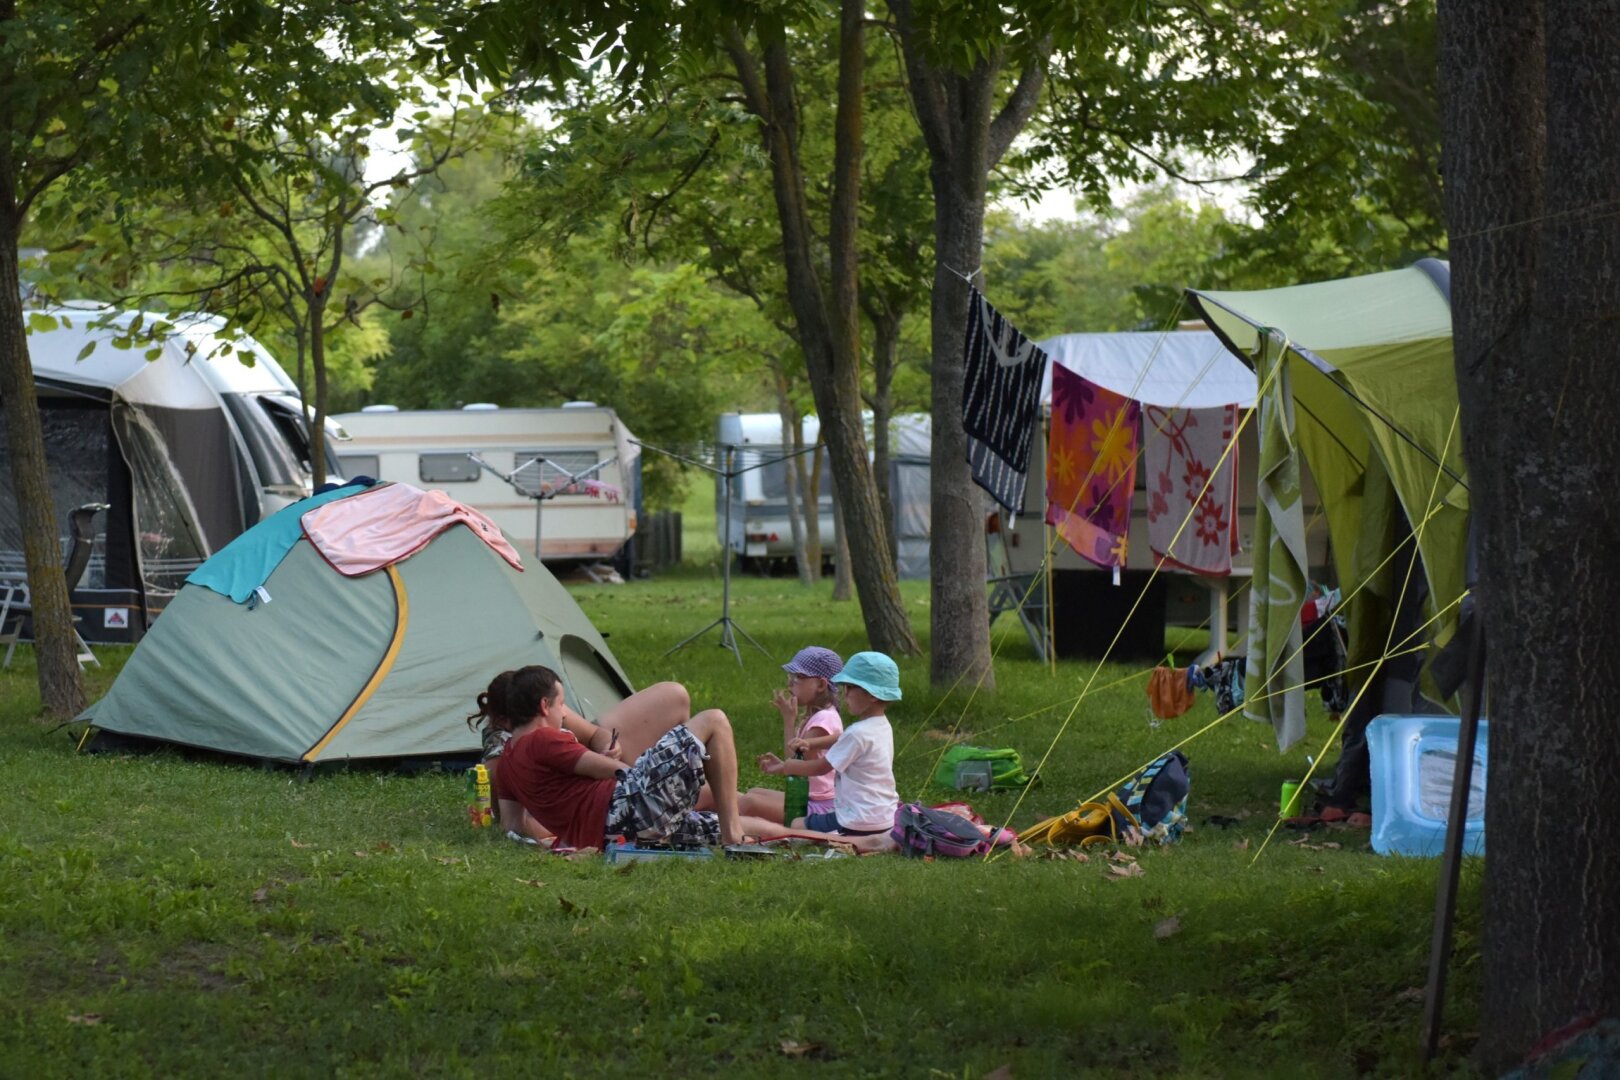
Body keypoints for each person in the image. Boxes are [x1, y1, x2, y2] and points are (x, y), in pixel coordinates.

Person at [487, 666, 894, 853]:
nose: (564, 714)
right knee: (714, 721)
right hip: (625, 809)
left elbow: (512, 828)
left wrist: (558, 842)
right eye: (561, 705)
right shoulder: (545, 740)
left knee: (724, 821)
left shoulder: (505, 762)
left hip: (613, 836)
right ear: (544, 706)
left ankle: (846, 842)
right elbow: (613, 770)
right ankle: (735, 836)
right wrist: (669, 770)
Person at [759, 650, 902, 836]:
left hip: (857, 819)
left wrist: (787, 766)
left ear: (872, 695)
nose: (845, 694)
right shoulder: (880, 726)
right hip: (882, 815)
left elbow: (820, 767)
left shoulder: (857, 733)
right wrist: (812, 744)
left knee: (795, 825)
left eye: (850, 688)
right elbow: (841, 738)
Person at [738, 646, 846, 827]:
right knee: (754, 792)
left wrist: (788, 721)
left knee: (749, 803)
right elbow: (796, 763)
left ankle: (729, 822)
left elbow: (796, 766)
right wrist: (780, 766)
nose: (790, 684)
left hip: (816, 807)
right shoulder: (818, 716)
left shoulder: (823, 722)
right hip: (809, 800)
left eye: (799, 677)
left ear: (820, 684)